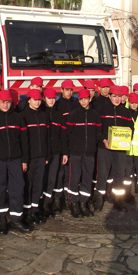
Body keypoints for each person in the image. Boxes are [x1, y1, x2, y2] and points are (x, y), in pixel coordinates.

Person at [0, 90, 32, 234]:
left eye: (8, 102)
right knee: (0, 189)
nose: (5, 105)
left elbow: (24, 141)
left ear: (12, 103)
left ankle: (16, 219)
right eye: (3, 102)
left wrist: (24, 160)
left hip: (16, 159)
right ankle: (3, 221)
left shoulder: (18, 119)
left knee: (18, 188)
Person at [95, 85, 134, 212]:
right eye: (114, 96)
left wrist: (126, 139)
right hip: (104, 147)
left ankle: (118, 200)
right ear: (110, 96)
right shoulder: (101, 110)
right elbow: (97, 129)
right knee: (102, 173)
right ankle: (99, 199)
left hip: (120, 149)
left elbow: (130, 128)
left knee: (119, 174)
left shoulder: (125, 112)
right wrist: (103, 140)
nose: (117, 99)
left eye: (119, 97)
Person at [66, 89, 102, 218]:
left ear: (90, 99)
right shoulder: (73, 115)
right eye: (81, 99)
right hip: (76, 152)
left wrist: (92, 144)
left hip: (90, 153)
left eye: (85, 99)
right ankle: (74, 204)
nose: (83, 102)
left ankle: (83, 203)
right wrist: (73, 146)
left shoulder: (95, 115)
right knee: (75, 178)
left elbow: (99, 132)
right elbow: (68, 133)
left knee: (87, 179)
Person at [20, 89, 50, 224]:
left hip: (42, 156)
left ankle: (35, 210)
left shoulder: (44, 116)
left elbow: (47, 137)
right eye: (34, 100)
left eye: (39, 100)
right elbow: (23, 140)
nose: (37, 102)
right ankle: (27, 212)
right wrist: (24, 159)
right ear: (29, 100)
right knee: (28, 184)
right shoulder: (23, 116)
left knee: (38, 184)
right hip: (30, 157)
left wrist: (47, 155)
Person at [55, 79, 79, 212]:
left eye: (71, 90)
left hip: (73, 144)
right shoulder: (58, 105)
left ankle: (70, 198)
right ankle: (59, 200)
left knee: (71, 173)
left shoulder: (76, 105)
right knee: (59, 173)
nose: (69, 92)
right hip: (60, 143)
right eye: (67, 90)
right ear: (62, 90)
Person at [42, 88, 66, 217]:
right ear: (44, 98)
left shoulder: (59, 116)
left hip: (56, 152)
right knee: (44, 179)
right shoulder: (41, 114)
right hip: (44, 152)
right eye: (49, 98)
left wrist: (65, 153)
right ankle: (43, 203)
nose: (51, 100)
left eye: (53, 98)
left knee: (55, 177)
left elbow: (63, 136)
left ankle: (52, 202)